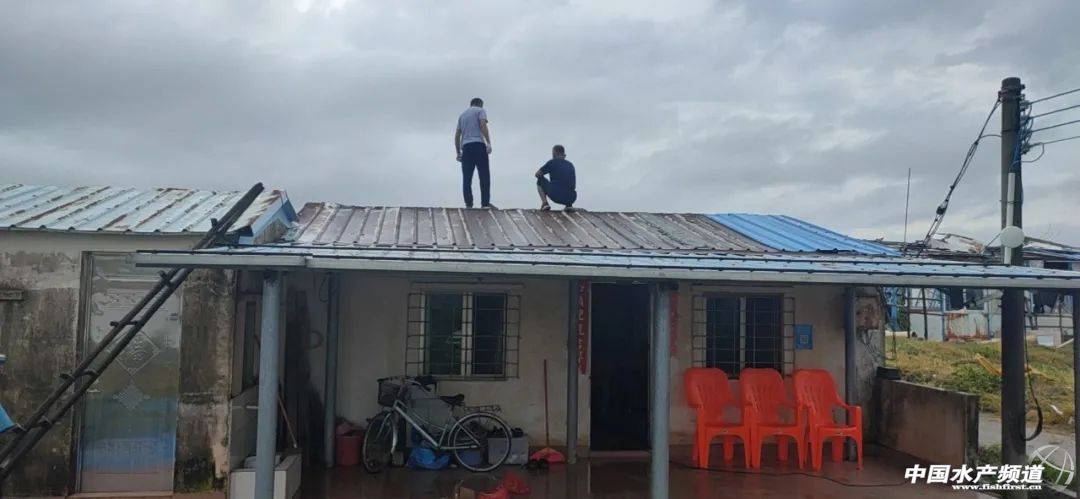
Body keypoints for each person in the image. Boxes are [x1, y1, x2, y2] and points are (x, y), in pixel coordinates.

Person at [455, 97, 494, 209]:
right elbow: (483, 125)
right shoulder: (481, 111)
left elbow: (457, 135)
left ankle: (469, 204)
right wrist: (488, 142)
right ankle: (485, 204)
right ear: (480, 104)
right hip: (478, 145)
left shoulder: (462, 115)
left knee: (467, 178)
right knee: (484, 176)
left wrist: (458, 152)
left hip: (466, 148)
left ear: (471, 104)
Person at [535, 144, 577, 211]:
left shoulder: (552, 162)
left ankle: (545, 204)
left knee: (540, 180)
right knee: (567, 183)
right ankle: (569, 205)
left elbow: (537, 174)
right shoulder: (570, 164)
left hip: (556, 195)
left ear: (555, 152)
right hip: (572, 198)